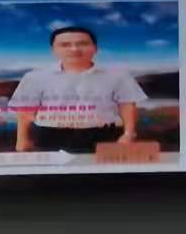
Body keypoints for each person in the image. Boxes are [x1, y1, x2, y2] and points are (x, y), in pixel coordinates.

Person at [8, 25, 147, 153]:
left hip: (105, 135)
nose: (74, 49)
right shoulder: (34, 77)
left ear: (95, 48)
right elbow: (25, 111)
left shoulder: (119, 75)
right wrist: (22, 140)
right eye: (65, 45)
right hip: (49, 134)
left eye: (82, 44)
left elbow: (127, 106)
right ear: (54, 50)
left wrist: (129, 134)